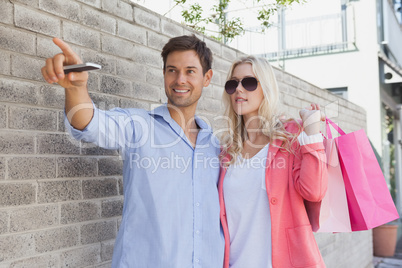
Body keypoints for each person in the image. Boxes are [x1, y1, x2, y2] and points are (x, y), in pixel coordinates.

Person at [41, 35, 224, 267]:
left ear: (207, 78)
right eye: (171, 70)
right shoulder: (138, 126)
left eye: (190, 71)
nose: (179, 80)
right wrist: (77, 89)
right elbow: (90, 124)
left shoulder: (216, 147)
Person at [218, 55, 328, 268]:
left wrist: (313, 132)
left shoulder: (290, 137)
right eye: (233, 84)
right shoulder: (227, 151)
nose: (239, 89)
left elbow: (314, 191)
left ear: (266, 89)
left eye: (248, 82)